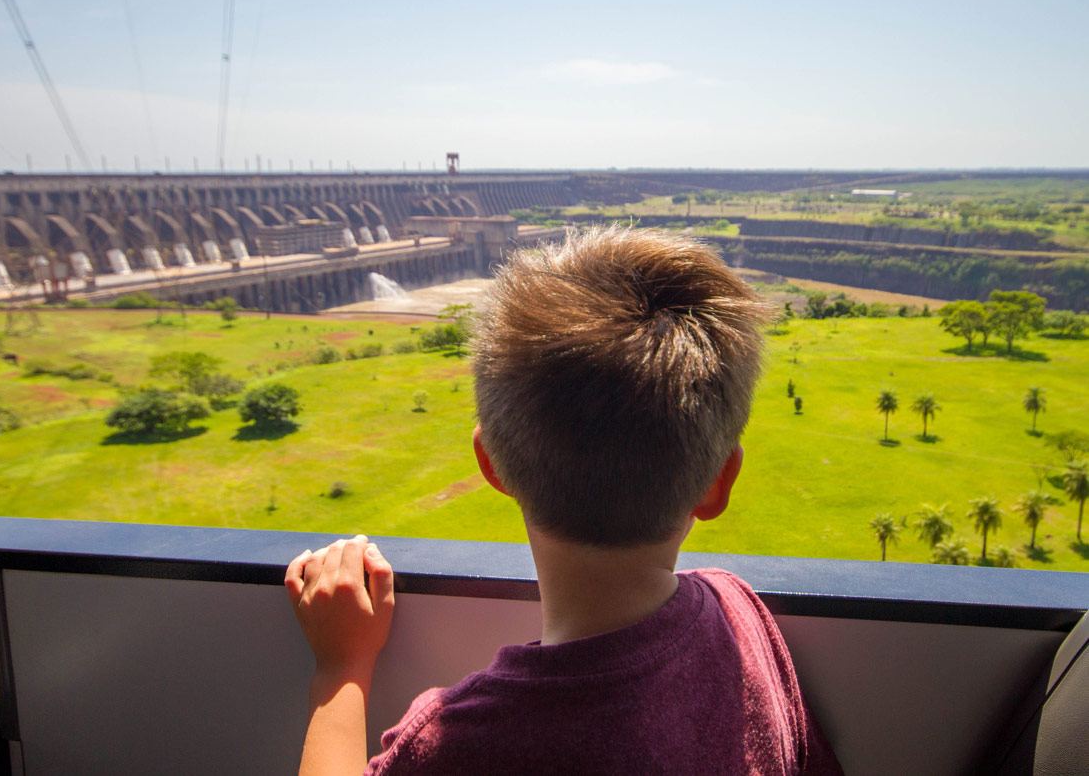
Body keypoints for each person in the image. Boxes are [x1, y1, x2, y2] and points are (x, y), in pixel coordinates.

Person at [286, 226, 843, 775]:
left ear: (491, 463)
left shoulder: (457, 745)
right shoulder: (741, 616)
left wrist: (340, 671)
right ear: (720, 484)